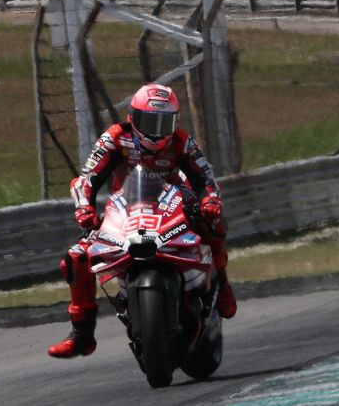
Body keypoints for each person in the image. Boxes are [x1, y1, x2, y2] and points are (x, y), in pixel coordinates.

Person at [48, 83, 237, 359]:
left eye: (165, 122)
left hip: (174, 204)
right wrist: (84, 209)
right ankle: (82, 335)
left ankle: (222, 284)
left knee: (213, 224)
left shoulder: (182, 142)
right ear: (132, 118)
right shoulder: (115, 138)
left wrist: (210, 202)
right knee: (76, 258)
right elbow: (86, 180)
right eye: (150, 121)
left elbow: (205, 179)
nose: (157, 130)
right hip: (124, 209)